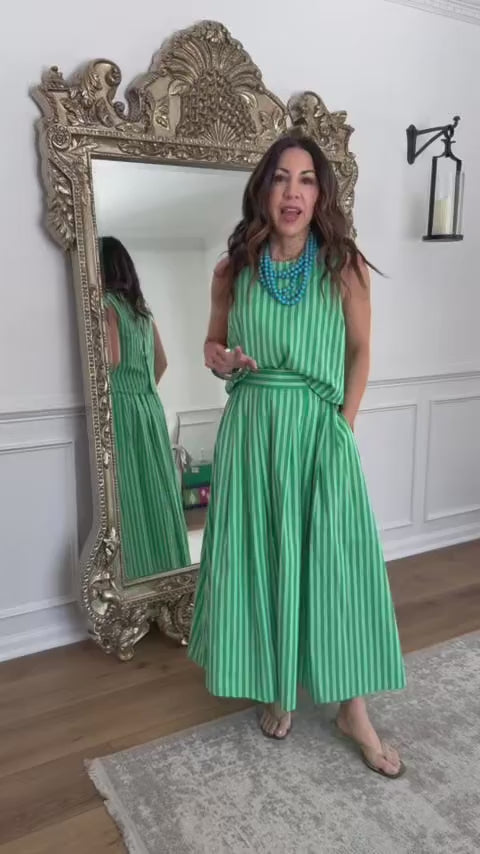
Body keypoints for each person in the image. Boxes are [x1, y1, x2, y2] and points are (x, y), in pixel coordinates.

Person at [188, 136, 406, 779]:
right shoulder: (233, 269)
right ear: (263, 189)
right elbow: (212, 345)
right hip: (252, 429)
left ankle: (353, 709)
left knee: (338, 563)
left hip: (317, 429)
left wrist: (344, 425)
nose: (292, 192)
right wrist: (221, 359)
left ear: (320, 194)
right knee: (262, 557)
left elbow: (361, 351)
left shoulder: (342, 265)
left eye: (306, 180)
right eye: (281, 178)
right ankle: (277, 683)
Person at [100, 236, 191, 580]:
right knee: (156, 488)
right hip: (150, 406)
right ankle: (168, 568)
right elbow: (162, 362)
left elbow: (111, 360)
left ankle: (136, 574)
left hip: (122, 406)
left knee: (128, 492)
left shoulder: (106, 305)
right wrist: (143, 388)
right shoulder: (141, 312)